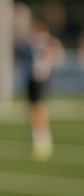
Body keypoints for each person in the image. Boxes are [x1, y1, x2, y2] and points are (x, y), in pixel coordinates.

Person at [21, 17, 64, 160]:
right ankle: (39, 138)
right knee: (34, 107)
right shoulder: (41, 42)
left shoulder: (43, 41)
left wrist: (45, 67)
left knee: (37, 107)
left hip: (39, 77)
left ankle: (42, 139)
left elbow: (53, 55)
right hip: (36, 77)